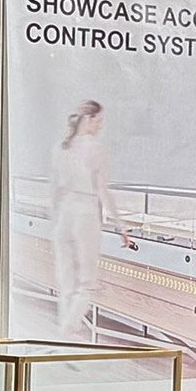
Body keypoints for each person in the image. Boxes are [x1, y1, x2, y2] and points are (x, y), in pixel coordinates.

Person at [49, 100, 133, 340]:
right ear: (88, 119)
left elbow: (54, 189)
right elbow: (103, 191)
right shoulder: (96, 148)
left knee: (66, 282)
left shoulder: (61, 147)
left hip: (64, 214)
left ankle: (64, 338)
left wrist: (55, 220)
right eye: (99, 121)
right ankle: (66, 331)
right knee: (86, 282)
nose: (100, 126)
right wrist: (120, 227)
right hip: (85, 213)